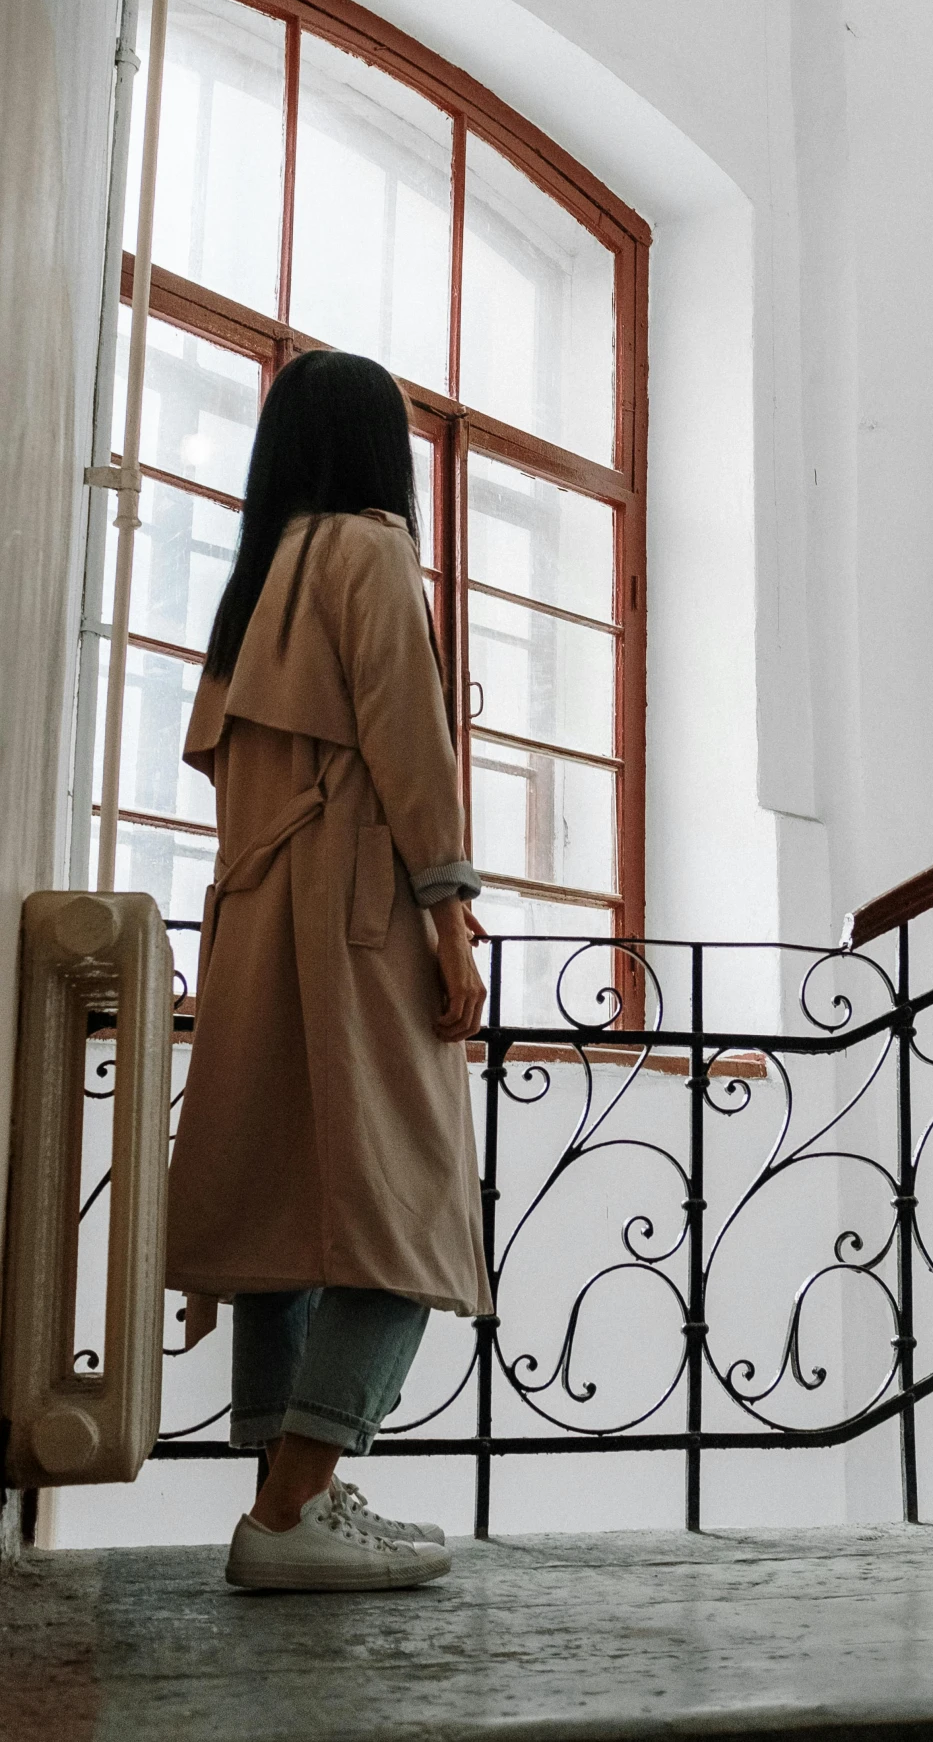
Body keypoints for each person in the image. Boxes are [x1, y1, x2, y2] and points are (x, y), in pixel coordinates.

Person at [165, 348, 490, 1594]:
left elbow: (219, 771)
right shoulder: (366, 551)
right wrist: (449, 922)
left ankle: (278, 1508)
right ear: (374, 448)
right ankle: (299, 1497)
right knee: (408, 1217)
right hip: (353, 916)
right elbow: (410, 744)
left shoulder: (249, 590)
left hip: (254, 921)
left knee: (286, 1212)